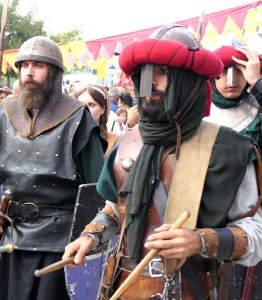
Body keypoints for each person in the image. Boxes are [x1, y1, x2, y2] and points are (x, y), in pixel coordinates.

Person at [63, 24, 262, 299]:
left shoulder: (228, 149)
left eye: (163, 72)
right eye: (145, 74)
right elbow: (117, 209)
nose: (151, 82)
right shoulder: (129, 141)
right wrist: (90, 236)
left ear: (188, 81)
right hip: (123, 286)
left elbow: (255, 235)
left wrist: (199, 241)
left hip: (189, 289)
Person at [0, 36, 105, 300]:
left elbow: (97, 189)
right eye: (25, 64)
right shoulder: (2, 114)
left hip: (59, 243)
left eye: (38, 65)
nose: (29, 71)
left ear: (53, 73)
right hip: (11, 240)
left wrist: (88, 241)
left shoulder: (79, 118)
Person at [204, 43, 262, 299]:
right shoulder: (199, 113)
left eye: (238, 71)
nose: (231, 79)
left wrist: (258, 83)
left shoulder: (257, 108)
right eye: (224, 71)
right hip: (209, 220)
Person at [75, 84, 119, 158]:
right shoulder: (69, 138)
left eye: (91, 105)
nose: (85, 109)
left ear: (102, 109)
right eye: (80, 105)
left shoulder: (115, 142)